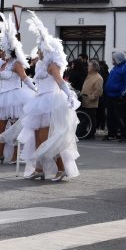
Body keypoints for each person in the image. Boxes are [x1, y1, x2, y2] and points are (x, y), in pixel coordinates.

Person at [19, 11, 80, 182]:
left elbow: (60, 82)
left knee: (50, 140)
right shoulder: (40, 64)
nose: (38, 49)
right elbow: (35, 81)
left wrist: (70, 95)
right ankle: (39, 168)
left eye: (40, 47)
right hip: (40, 101)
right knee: (37, 137)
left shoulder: (53, 65)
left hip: (51, 102)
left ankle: (61, 168)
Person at [0, 13, 35, 164]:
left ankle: (15, 156)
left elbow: (25, 79)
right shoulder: (0, 64)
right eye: (1, 49)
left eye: (3, 49)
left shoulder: (16, 64)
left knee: (14, 129)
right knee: (0, 128)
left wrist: (35, 91)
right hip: (1, 97)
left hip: (15, 98)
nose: (1, 52)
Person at [103, 51, 126, 142]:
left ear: (118, 59)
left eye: (114, 58)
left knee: (122, 117)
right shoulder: (115, 68)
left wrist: (122, 95)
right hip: (110, 96)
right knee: (110, 116)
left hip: (119, 97)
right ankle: (112, 134)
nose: (112, 60)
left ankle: (124, 135)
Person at [80, 60, 103, 139]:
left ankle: (91, 133)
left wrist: (91, 97)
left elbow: (98, 91)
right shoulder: (89, 75)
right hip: (84, 100)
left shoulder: (98, 78)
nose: (87, 67)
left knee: (91, 118)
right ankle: (84, 132)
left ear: (94, 68)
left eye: (89, 66)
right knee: (85, 118)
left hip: (91, 101)